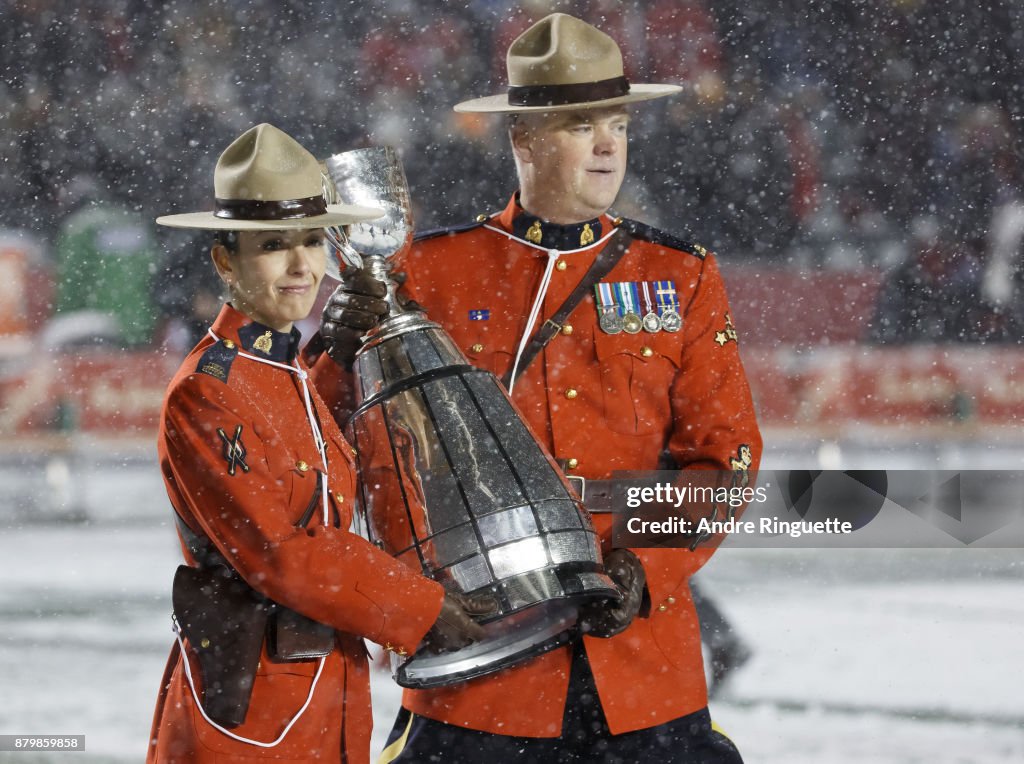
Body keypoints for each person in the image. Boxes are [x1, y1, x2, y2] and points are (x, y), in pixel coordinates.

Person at [311, 14, 762, 763]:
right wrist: (337, 341)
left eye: (617, 123)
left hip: (643, 673)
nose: (609, 144)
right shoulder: (431, 270)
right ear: (523, 139)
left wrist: (643, 568)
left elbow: (725, 461)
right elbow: (330, 431)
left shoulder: (681, 275)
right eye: (582, 125)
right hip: (482, 672)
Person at [146, 123, 495, 763]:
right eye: (273, 246)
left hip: (321, 688)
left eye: (312, 240)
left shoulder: (285, 370)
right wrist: (423, 609)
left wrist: (335, 356)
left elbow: (304, 435)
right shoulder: (207, 389)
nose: (303, 265)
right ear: (225, 259)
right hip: (250, 711)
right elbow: (280, 552)